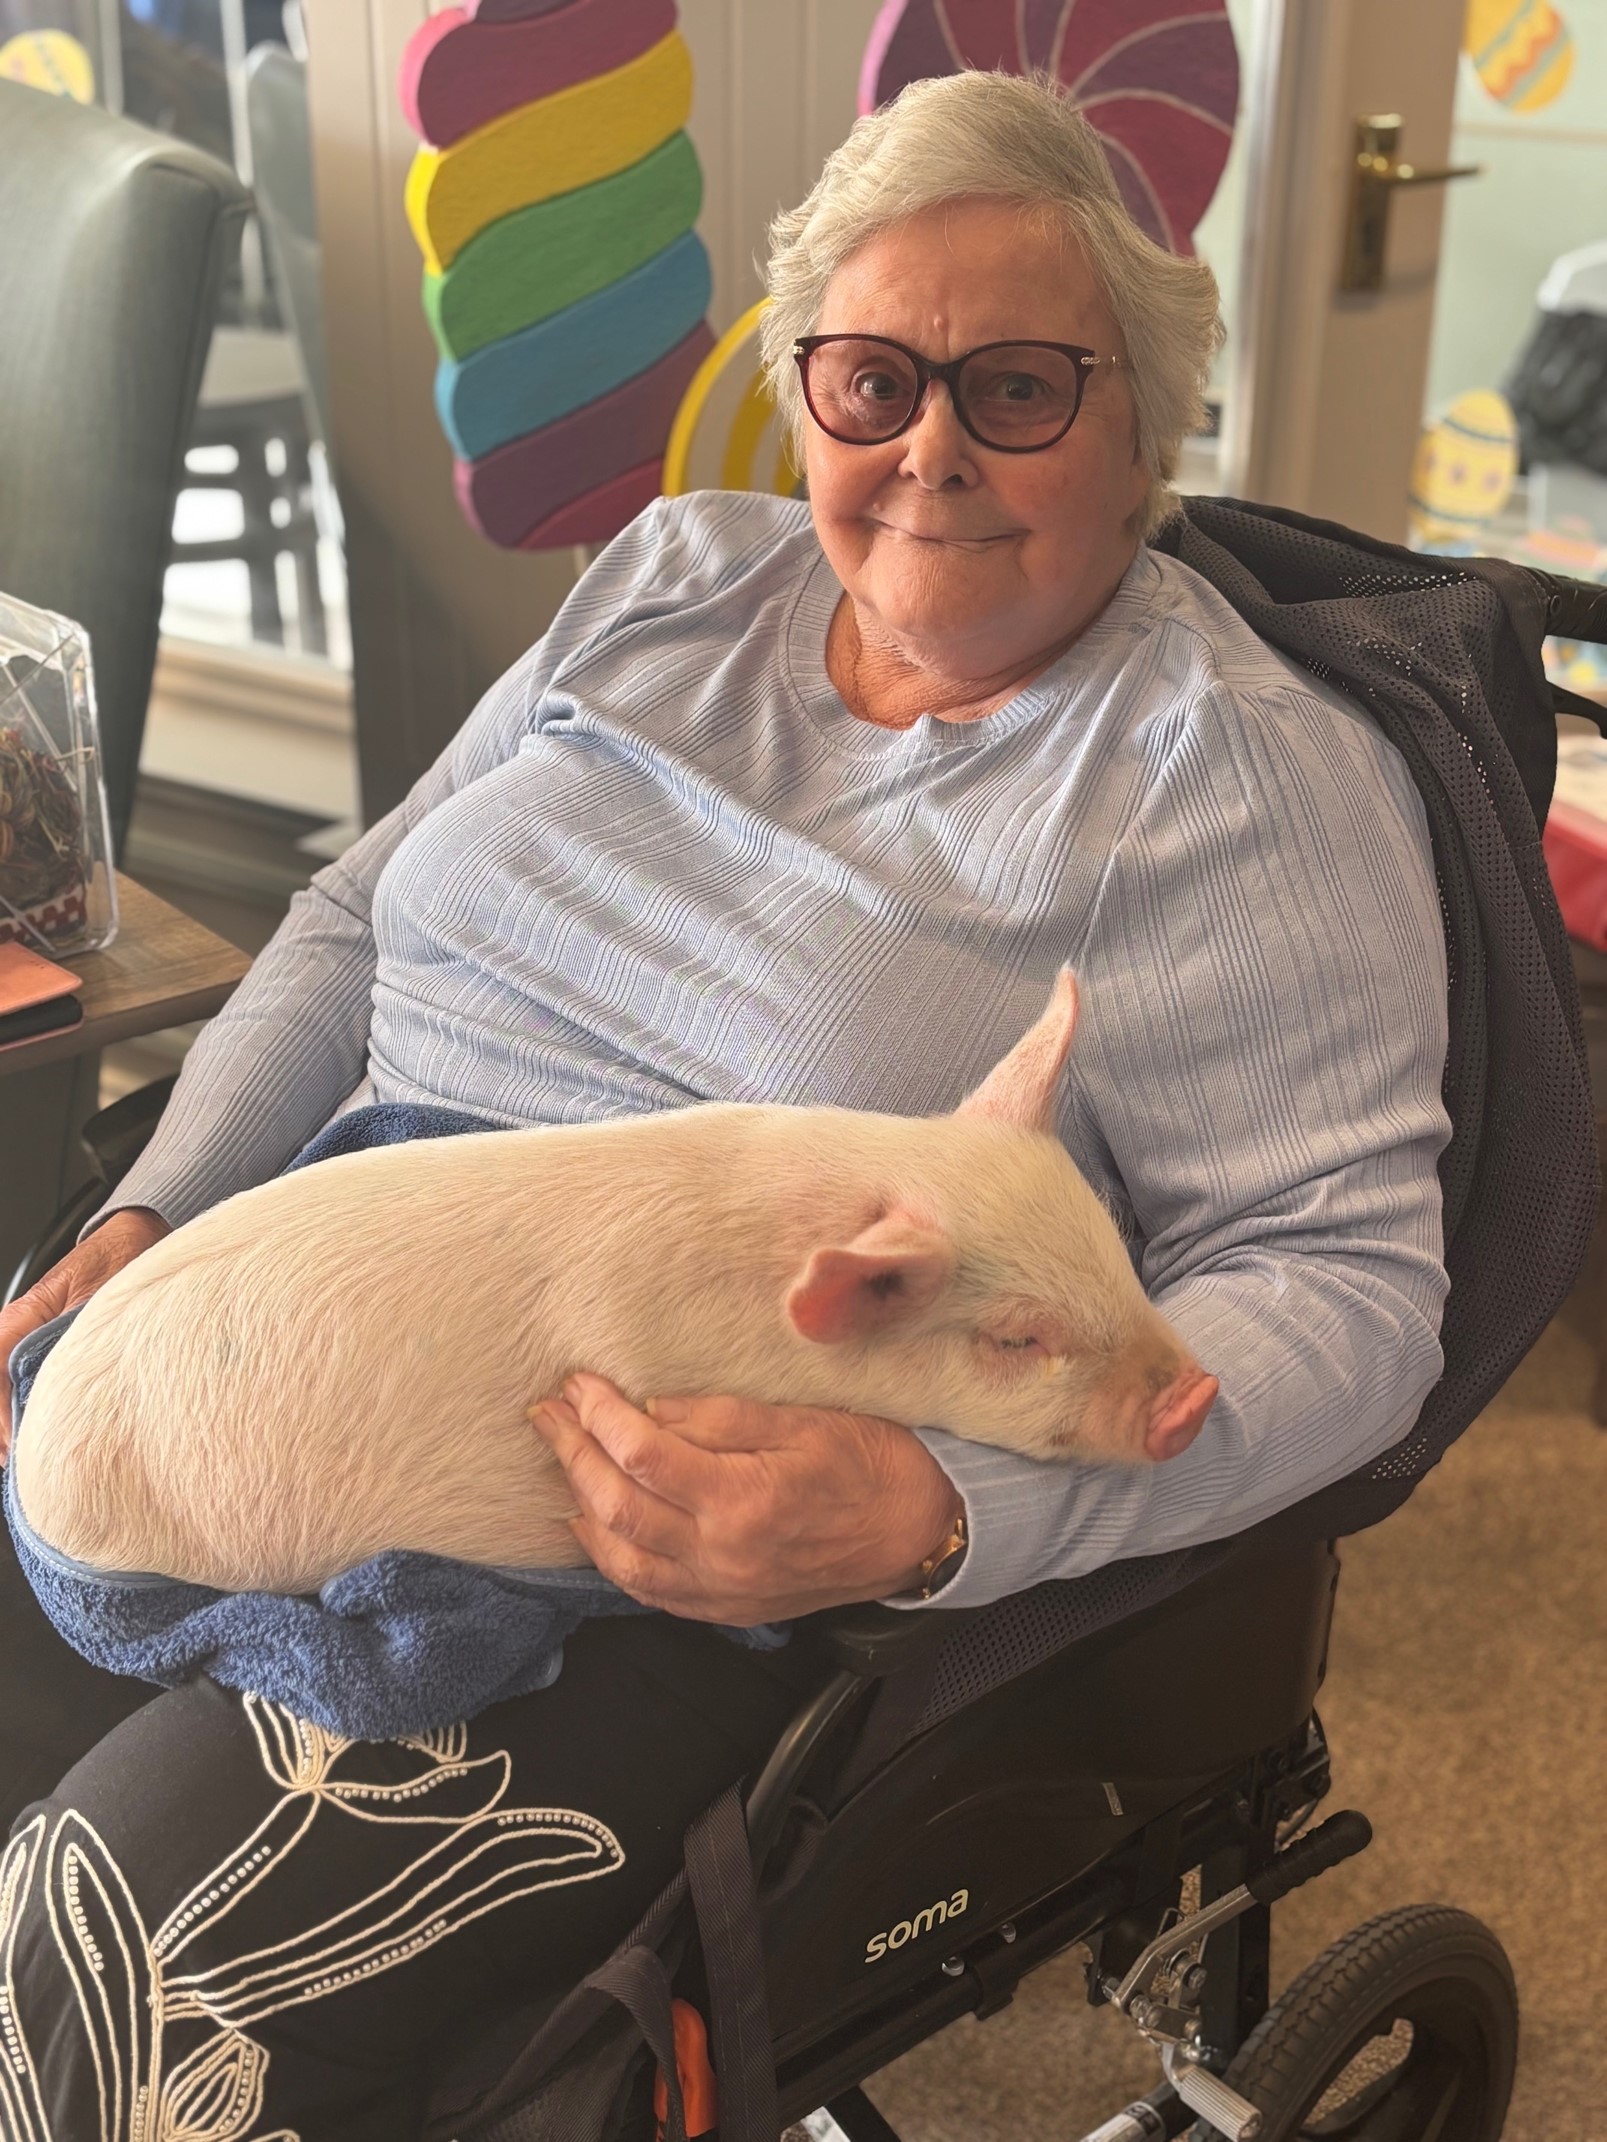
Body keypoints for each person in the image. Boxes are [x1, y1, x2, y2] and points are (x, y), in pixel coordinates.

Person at [0, 69, 1451, 2141]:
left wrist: (942, 1514)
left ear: (1150, 419)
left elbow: (1355, 1287)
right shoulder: (683, 573)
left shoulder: (1241, 783)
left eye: (1019, 386)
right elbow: (347, 925)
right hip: (297, 1313)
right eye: (870, 383)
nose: (930, 446)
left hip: (640, 1544)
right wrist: (154, 1214)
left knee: (90, 2017)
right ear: (804, 398)